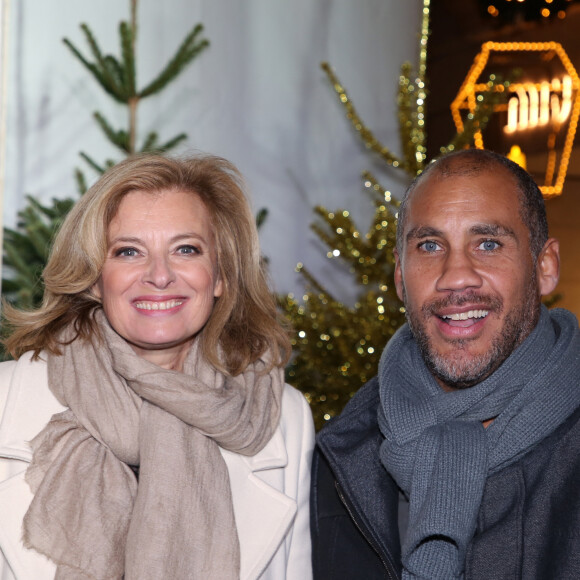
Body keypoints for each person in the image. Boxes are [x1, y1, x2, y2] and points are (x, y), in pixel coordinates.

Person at [0, 153, 315, 580]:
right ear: (95, 277)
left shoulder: (284, 417)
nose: (159, 275)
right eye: (128, 251)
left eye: (186, 249)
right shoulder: (6, 402)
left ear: (220, 275)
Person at [311, 148, 580, 579]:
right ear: (401, 276)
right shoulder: (341, 455)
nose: (456, 275)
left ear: (544, 267)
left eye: (488, 243)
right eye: (430, 245)